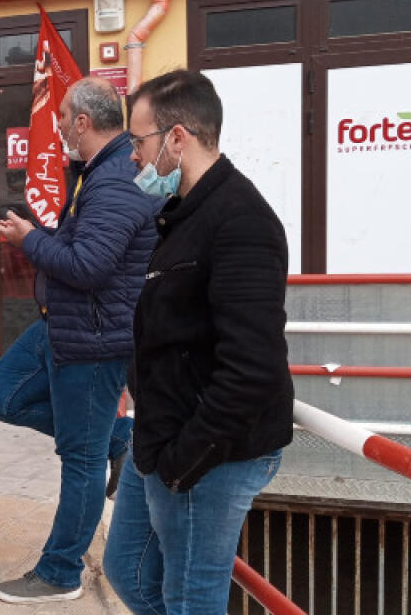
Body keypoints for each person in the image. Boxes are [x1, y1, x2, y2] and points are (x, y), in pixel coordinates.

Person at [102, 69, 293, 614]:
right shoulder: (182, 214)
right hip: (162, 435)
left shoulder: (241, 221)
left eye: (138, 142)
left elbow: (252, 368)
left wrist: (182, 463)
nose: (133, 157)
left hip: (208, 454)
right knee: (127, 570)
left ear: (177, 138)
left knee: (190, 600)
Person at [0, 76, 156, 604]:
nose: (56, 126)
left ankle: (60, 572)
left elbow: (87, 266)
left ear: (82, 121)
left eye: (61, 117)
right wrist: (39, 236)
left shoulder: (115, 180)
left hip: (93, 340)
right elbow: (82, 246)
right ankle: (116, 439)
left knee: (79, 459)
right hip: (63, 324)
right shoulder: (96, 172)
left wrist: (29, 240)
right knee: (1, 395)